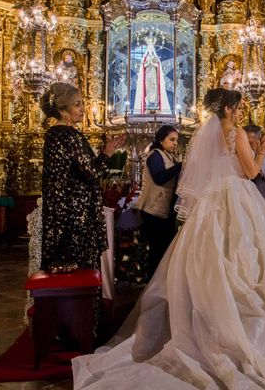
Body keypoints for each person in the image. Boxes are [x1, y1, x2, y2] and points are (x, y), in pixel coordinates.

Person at [72, 88, 265, 390]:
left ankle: (207, 320)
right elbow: (251, 172)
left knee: (212, 263)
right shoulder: (238, 133)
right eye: (240, 106)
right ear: (230, 108)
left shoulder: (209, 133)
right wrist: (264, 151)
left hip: (211, 205)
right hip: (238, 201)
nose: (242, 112)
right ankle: (244, 328)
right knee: (251, 262)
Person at [40, 82, 124, 273]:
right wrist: (106, 155)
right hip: (75, 215)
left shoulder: (55, 134)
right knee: (80, 268)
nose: (82, 109)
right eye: (77, 104)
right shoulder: (68, 135)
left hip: (64, 211)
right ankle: (84, 303)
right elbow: (91, 173)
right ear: (63, 111)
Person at [136, 125, 182, 279]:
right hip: (153, 210)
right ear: (161, 140)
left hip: (165, 211)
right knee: (156, 251)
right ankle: (151, 286)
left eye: (177, 140)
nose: (175, 143)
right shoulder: (155, 155)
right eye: (172, 139)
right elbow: (159, 178)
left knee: (163, 250)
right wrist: (180, 166)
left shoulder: (170, 156)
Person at [133, 37, 170, 114]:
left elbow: (158, 66)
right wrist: (147, 63)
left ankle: (154, 102)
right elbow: (143, 66)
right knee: (147, 88)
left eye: (151, 49)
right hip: (147, 75)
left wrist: (152, 63)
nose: (150, 51)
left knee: (154, 87)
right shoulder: (145, 58)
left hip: (154, 75)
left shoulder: (155, 58)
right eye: (148, 49)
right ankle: (148, 102)